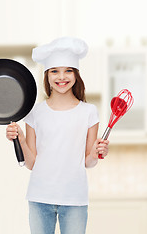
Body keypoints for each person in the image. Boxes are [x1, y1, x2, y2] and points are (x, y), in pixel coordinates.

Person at [6, 37, 109, 234]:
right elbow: (31, 163)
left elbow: (88, 162)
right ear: (47, 75)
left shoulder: (88, 112)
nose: (62, 77)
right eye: (55, 71)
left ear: (76, 74)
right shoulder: (34, 113)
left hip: (74, 199)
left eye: (68, 70)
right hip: (40, 197)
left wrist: (97, 153)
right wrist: (19, 137)